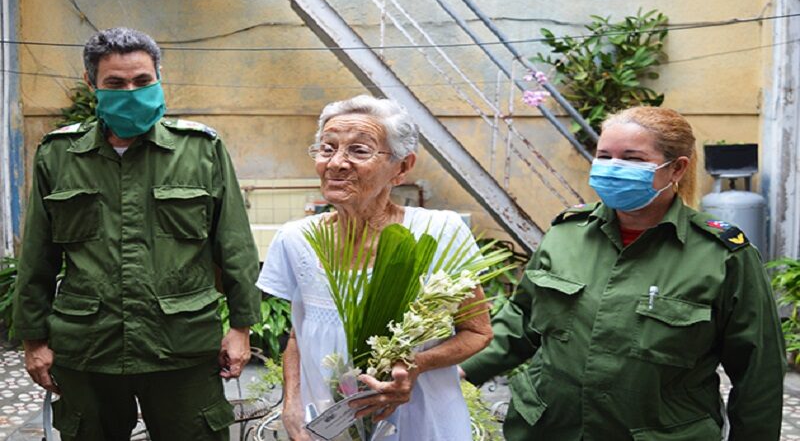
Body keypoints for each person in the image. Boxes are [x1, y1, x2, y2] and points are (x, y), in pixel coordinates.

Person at [461, 106, 786, 440]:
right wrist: (456, 368)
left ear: (676, 168)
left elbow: (758, 372)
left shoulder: (722, 255)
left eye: (632, 159)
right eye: (604, 156)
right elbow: (521, 320)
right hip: (548, 429)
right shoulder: (566, 234)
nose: (613, 168)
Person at [13, 27, 261, 441]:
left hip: (181, 348)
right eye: (116, 83)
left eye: (142, 81)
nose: (131, 90)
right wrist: (33, 340)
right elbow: (37, 256)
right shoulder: (58, 155)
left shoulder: (200, 150)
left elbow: (234, 245)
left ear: (159, 77)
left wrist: (241, 327)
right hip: (89, 350)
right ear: (93, 84)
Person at [256, 95, 493, 441]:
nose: (336, 163)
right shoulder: (296, 239)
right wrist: (291, 404)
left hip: (422, 418)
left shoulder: (440, 233)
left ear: (402, 167)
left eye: (359, 151)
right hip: (330, 422)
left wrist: (415, 365)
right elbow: (298, 333)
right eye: (327, 148)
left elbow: (478, 331)